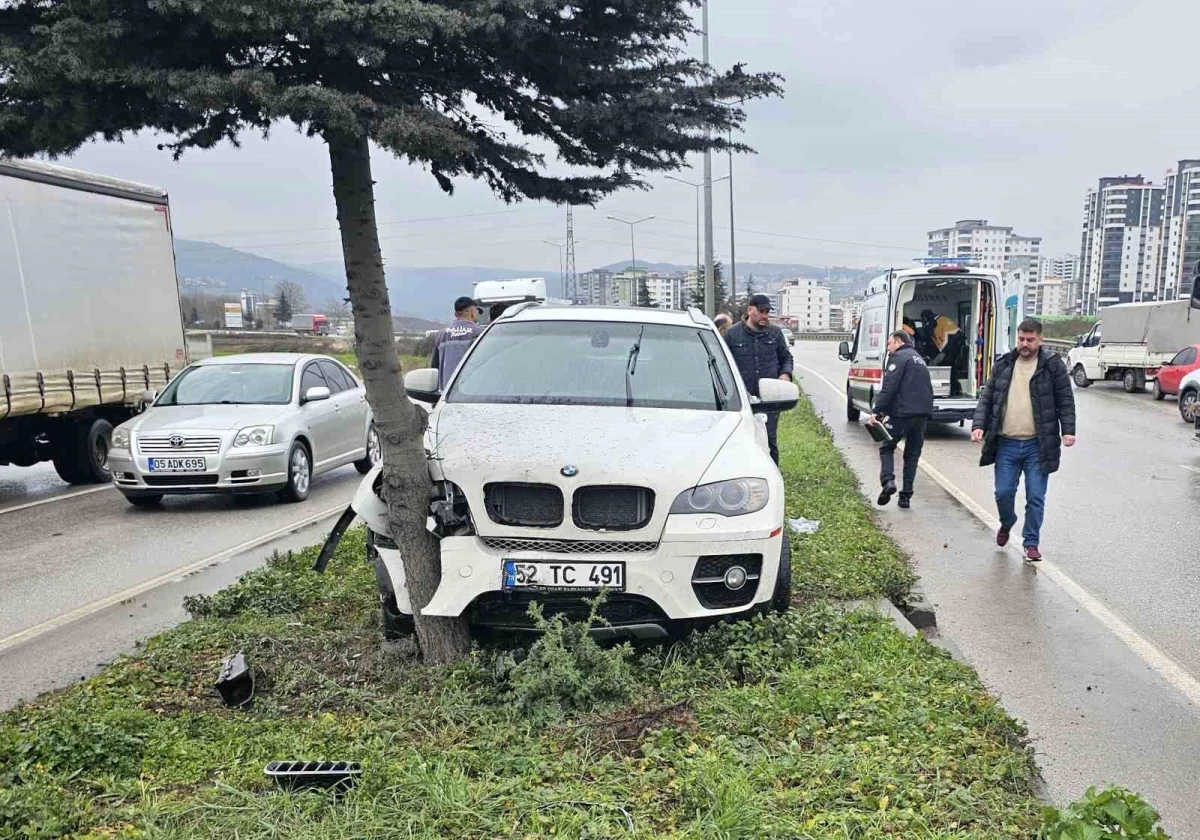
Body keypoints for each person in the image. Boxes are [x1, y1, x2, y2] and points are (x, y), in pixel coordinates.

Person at [971, 317, 1076, 561]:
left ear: (1040, 339)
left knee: (1035, 496)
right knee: (1003, 492)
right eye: (1021, 339)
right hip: (1006, 443)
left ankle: (1031, 543)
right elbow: (988, 398)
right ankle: (1007, 522)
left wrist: (1068, 430)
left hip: (1037, 445)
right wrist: (979, 425)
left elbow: (1065, 400)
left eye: (1030, 340)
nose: (1024, 344)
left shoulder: (1052, 366)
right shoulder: (1004, 364)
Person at [723, 294, 794, 464]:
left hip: (768, 400)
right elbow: (723, 363)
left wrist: (785, 374)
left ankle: (773, 479)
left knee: (769, 441)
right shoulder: (733, 335)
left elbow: (786, 358)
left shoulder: (775, 334)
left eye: (767, 312)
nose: (765, 316)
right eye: (761, 311)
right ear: (750, 310)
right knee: (741, 441)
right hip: (741, 400)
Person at [868, 330, 934, 509]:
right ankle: (905, 497)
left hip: (902, 413)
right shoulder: (919, 360)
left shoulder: (898, 358)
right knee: (912, 455)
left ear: (898, 341)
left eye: (889, 344)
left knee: (887, 447)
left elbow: (890, 387)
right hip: (921, 415)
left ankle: (888, 482)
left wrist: (878, 411)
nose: (888, 349)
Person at [431, 296, 483, 391]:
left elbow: (435, 365)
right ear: (472, 312)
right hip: (472, 392)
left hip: (446, 394)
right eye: (476, 311)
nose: (477, 314)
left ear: (456, 314)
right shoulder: (480, 332)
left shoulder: (442, 334)